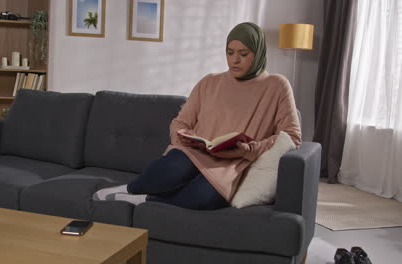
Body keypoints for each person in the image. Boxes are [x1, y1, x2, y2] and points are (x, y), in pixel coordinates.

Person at [93, 22, 302, 210]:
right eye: (230, 53)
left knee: (205, 197)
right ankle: (130, 189)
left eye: (243, 54)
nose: (235, 60)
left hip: (232, 163)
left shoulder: (277, 85)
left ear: (258, 53)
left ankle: (143, 200)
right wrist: (182, 136)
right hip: (194, 153)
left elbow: (292, 136)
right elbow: (180, 122)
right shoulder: (209, 82)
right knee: (172, 169)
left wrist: (252, 149)